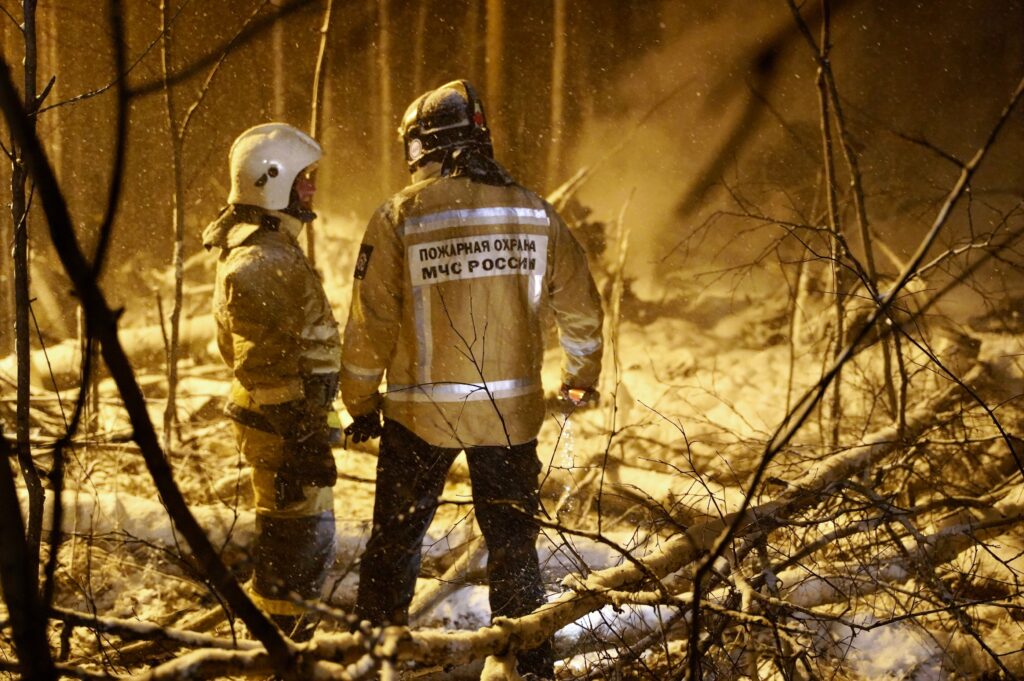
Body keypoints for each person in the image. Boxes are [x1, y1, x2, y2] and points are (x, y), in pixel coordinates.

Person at [341, 80, 603, 679]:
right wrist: (580, 379)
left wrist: (358, 402)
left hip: (417, 417)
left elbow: (369, 324)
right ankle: (527, 668)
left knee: (393, 552)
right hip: (510, 418)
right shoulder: (533, 211)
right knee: (514, 554)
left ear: (424, 147)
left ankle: (368, 660)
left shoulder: (400, 215)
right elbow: (582, 307)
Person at [202, 123, 339, 640]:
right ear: (271, 181)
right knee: (294, 553)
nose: (312, 189)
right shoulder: (261, 260)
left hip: (291, 424)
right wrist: (302, 439)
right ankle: (277, 658)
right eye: (305, 179)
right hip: (283, 430)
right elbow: (266, 365)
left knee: (298, 548)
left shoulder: (270, 249)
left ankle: (280, 651)